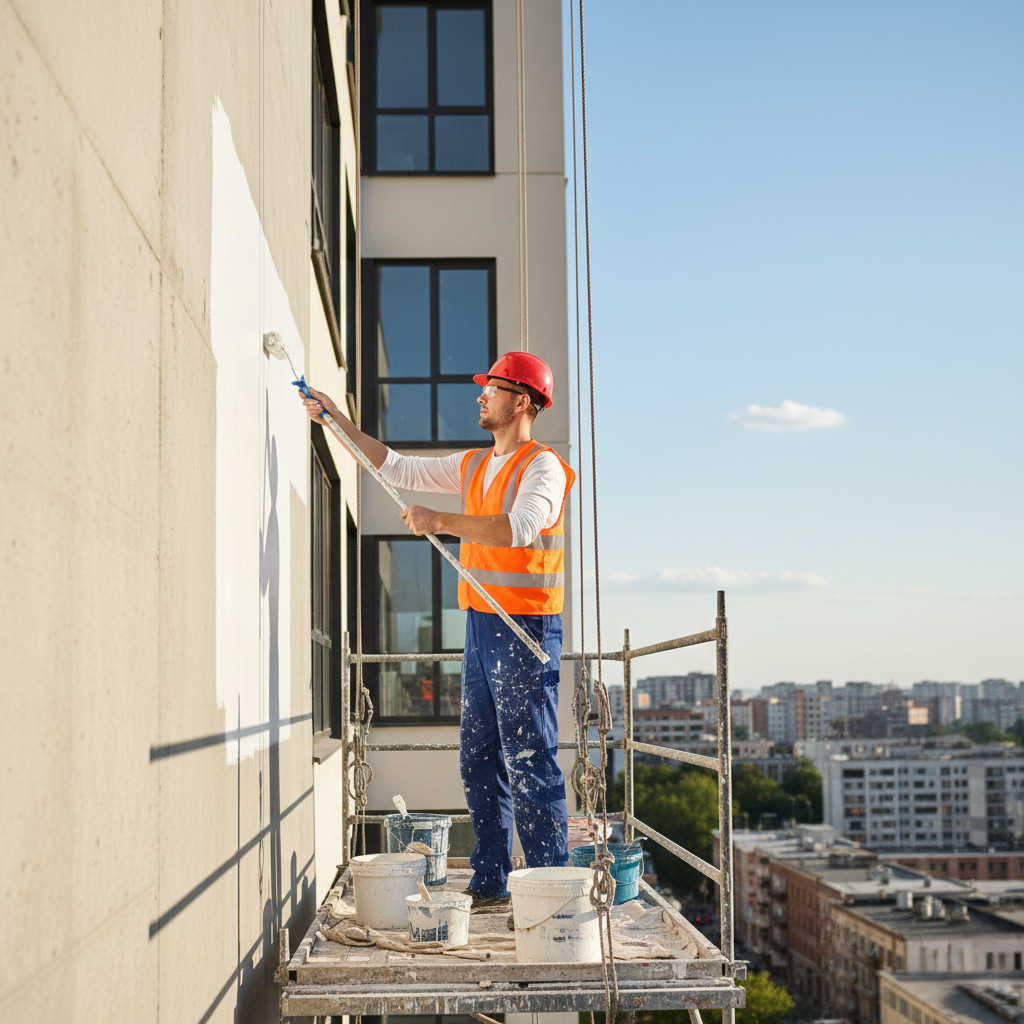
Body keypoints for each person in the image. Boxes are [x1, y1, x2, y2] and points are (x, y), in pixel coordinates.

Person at [300, 352, 575, 907]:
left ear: (521, 402)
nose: (480, 395)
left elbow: (521, 528)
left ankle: (551, 894)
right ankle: (492, 880)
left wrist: (439, 520)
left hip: (525, 628)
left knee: (528, 759)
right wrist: (333, 418)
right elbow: (396, 467)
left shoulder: (542, 466)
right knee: (478, 757)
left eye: (491, 388)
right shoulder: (474, 464)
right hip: (482, 625)